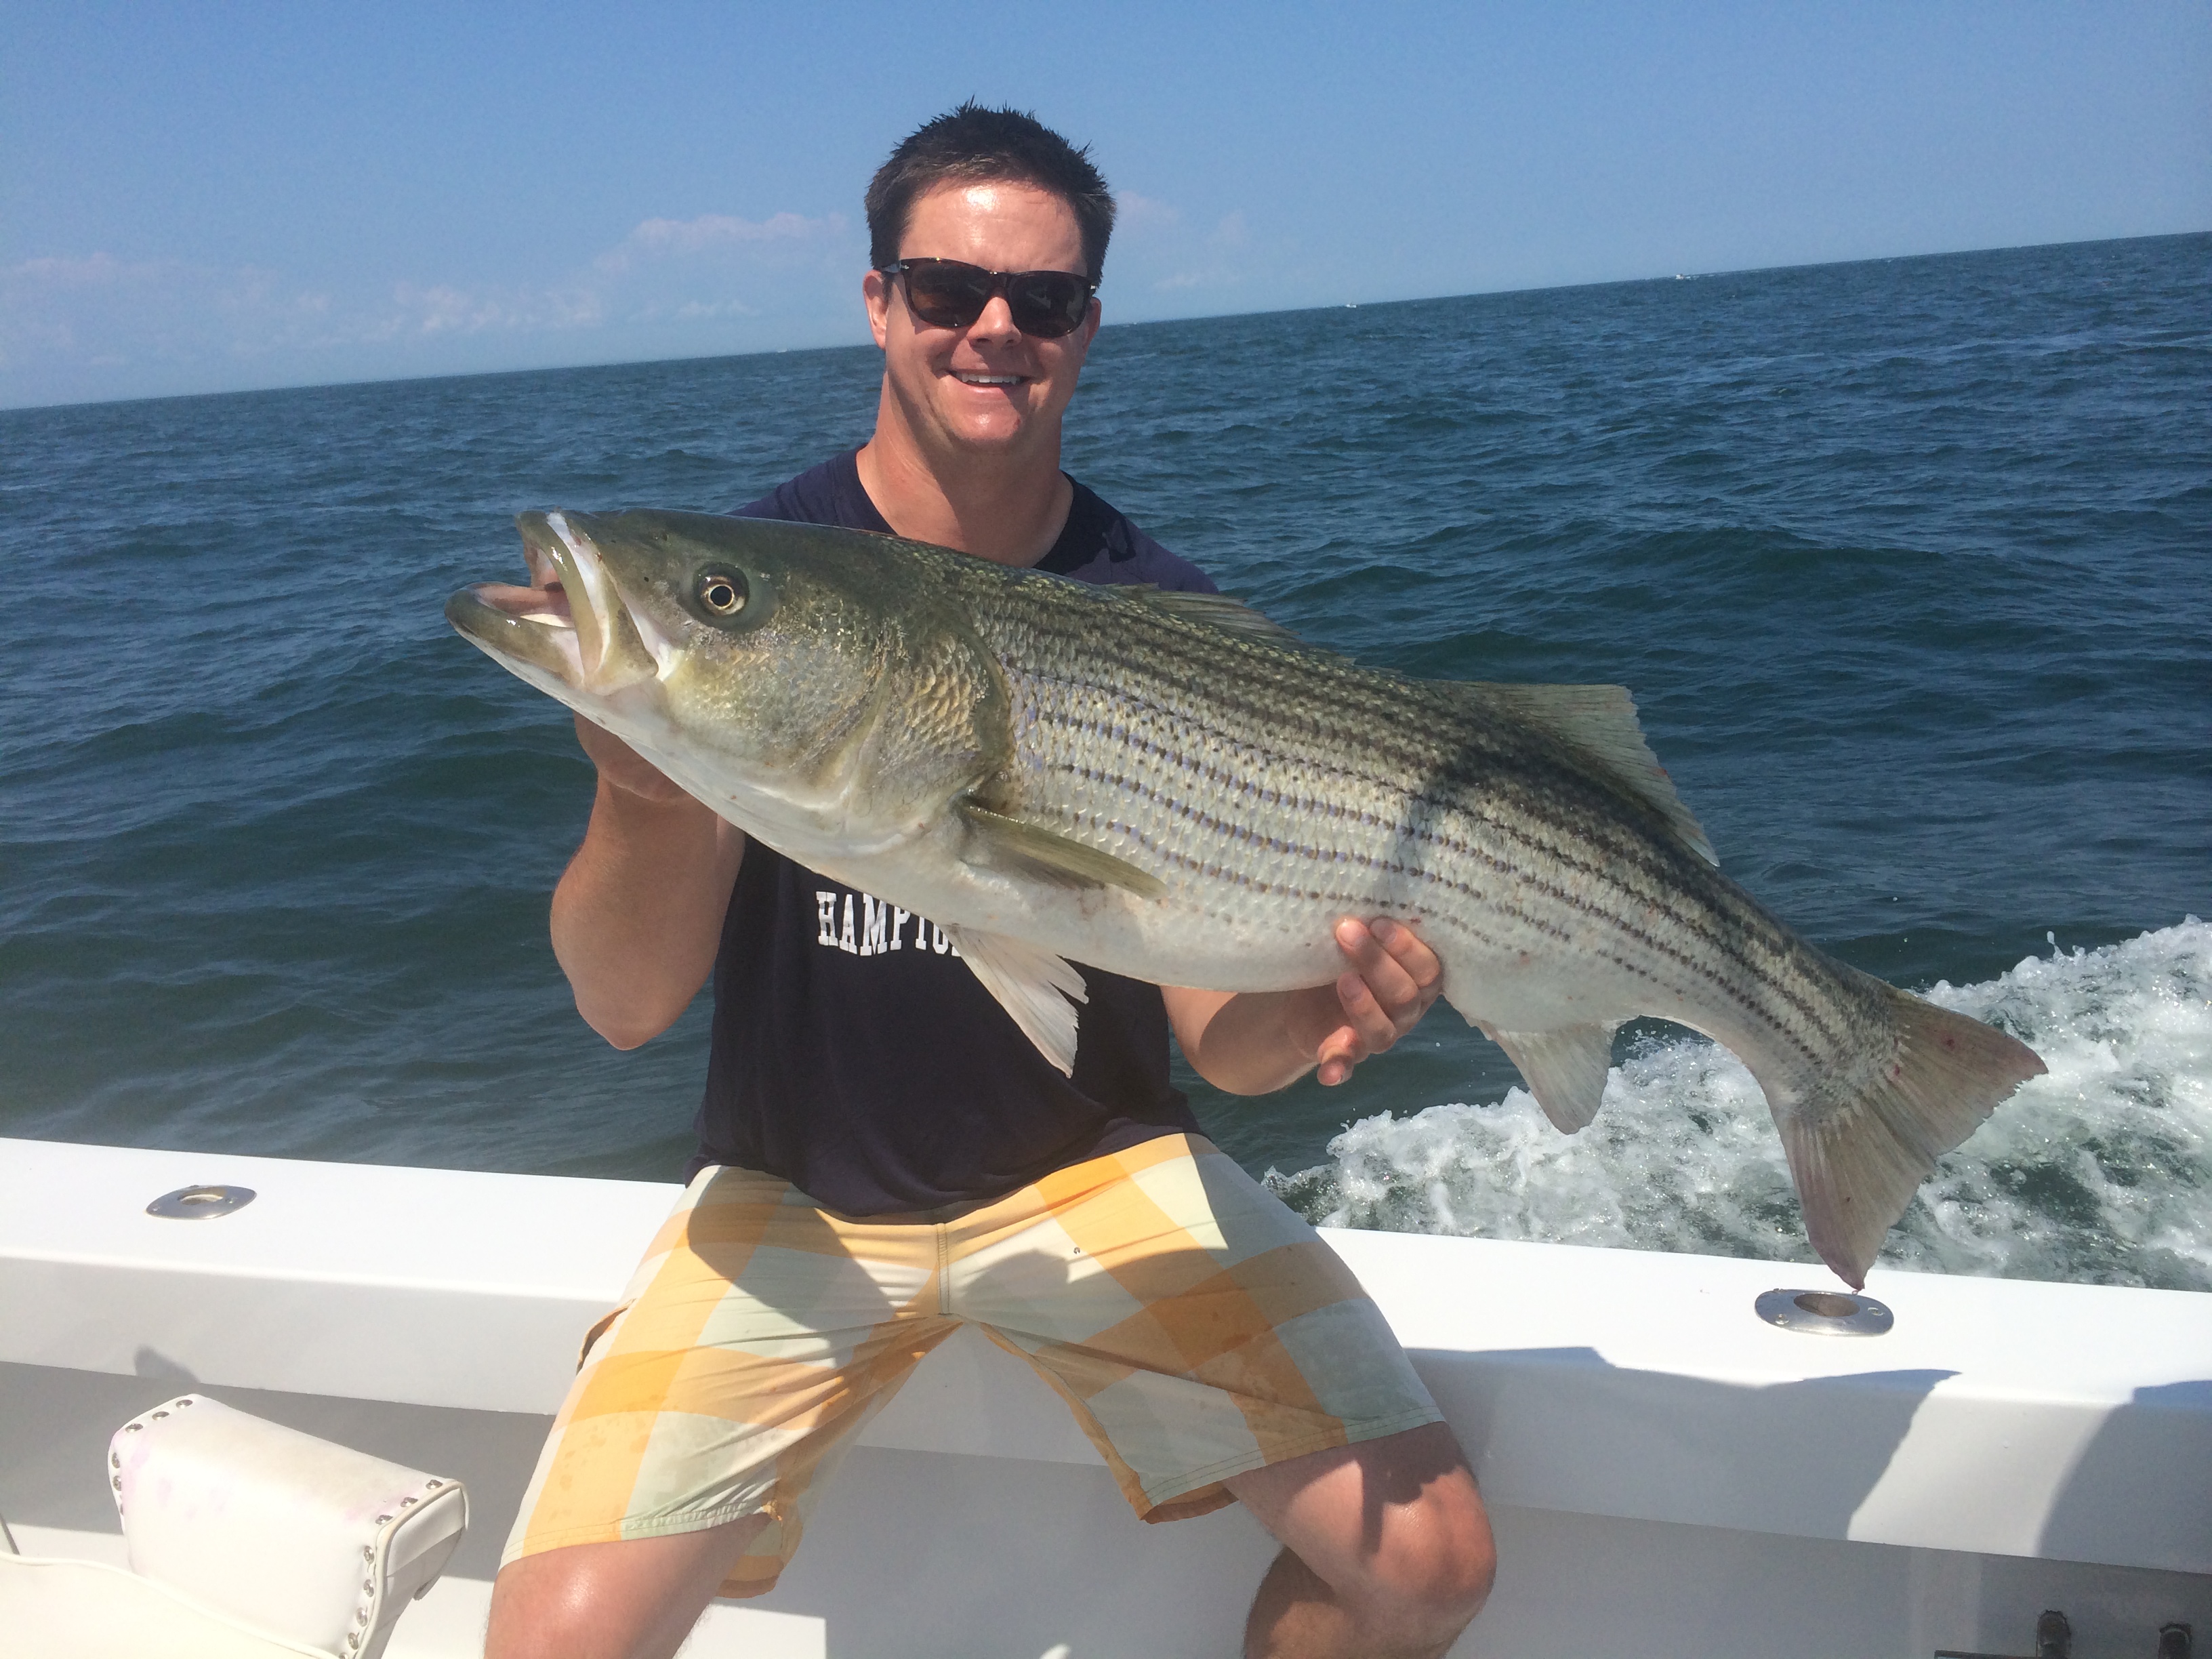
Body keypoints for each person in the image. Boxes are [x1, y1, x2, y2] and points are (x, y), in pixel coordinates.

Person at [485, 104, 1495, 1659]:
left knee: (1426, 1566)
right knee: (552, 1644)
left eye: (1046, 298)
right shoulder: (758, 590)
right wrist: (638, 783)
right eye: (949, 289)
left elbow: (1228, 1039)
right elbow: (624, 1007)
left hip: (1096, 1171)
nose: (995, 330)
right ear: (879, 299)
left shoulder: (1165, 618)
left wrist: (1331, 1003)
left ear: (1090, 325)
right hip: (795, 1194)